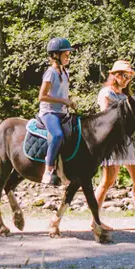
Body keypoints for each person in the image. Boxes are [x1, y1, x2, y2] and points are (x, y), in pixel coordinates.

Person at [95, 60, 135, 228]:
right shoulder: (106, 93)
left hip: (129, 141)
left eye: (129, 76)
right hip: (114, 142)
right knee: (108, 181)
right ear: (114, 75)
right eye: (124, 75)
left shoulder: (125, 96)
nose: (127, 79)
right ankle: (94, 220)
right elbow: (105, 118)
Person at [36, 37, 77, 185]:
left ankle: (67, 171)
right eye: (66, 54)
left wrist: (69, 101)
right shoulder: (50, 73)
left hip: (63, 111)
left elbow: (60, 93)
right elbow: (42, 97)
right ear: (56, 55)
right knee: (58, 135)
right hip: (49, 112)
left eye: (68, 55)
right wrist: (64, 101)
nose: (68, 57)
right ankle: (48, 169)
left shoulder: (65, 72)